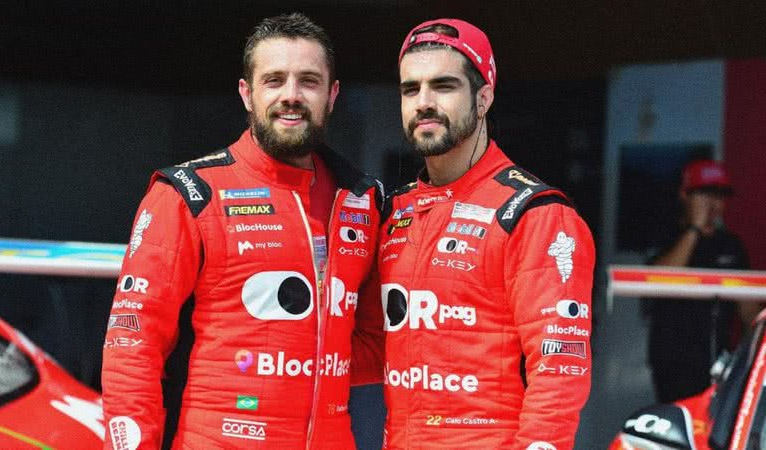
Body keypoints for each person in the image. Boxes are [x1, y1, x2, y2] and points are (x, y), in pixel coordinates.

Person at [101, 13, 384, 449]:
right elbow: (132, 343)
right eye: (274, 80)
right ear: (246, 94)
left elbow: (375, 342)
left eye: (308, 81)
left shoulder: (365, 201)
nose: (291, 96)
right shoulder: (190, 193)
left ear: (332, 95)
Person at [372, 18, 596, 450]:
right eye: (410, 89)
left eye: (443, 86)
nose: (423, 102)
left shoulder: (534, 213)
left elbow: (559, 369)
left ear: (483, 97)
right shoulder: (393, 212)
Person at [647, 159, 750, 403]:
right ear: (685, 195)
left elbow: (749, 313)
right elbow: (658, 283)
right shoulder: (667, 235)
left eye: (720, 195)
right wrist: (694, 229)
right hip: (672, 363)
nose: (713, 203)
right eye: (705, 193)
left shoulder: (731, 246)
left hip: (719, 363)